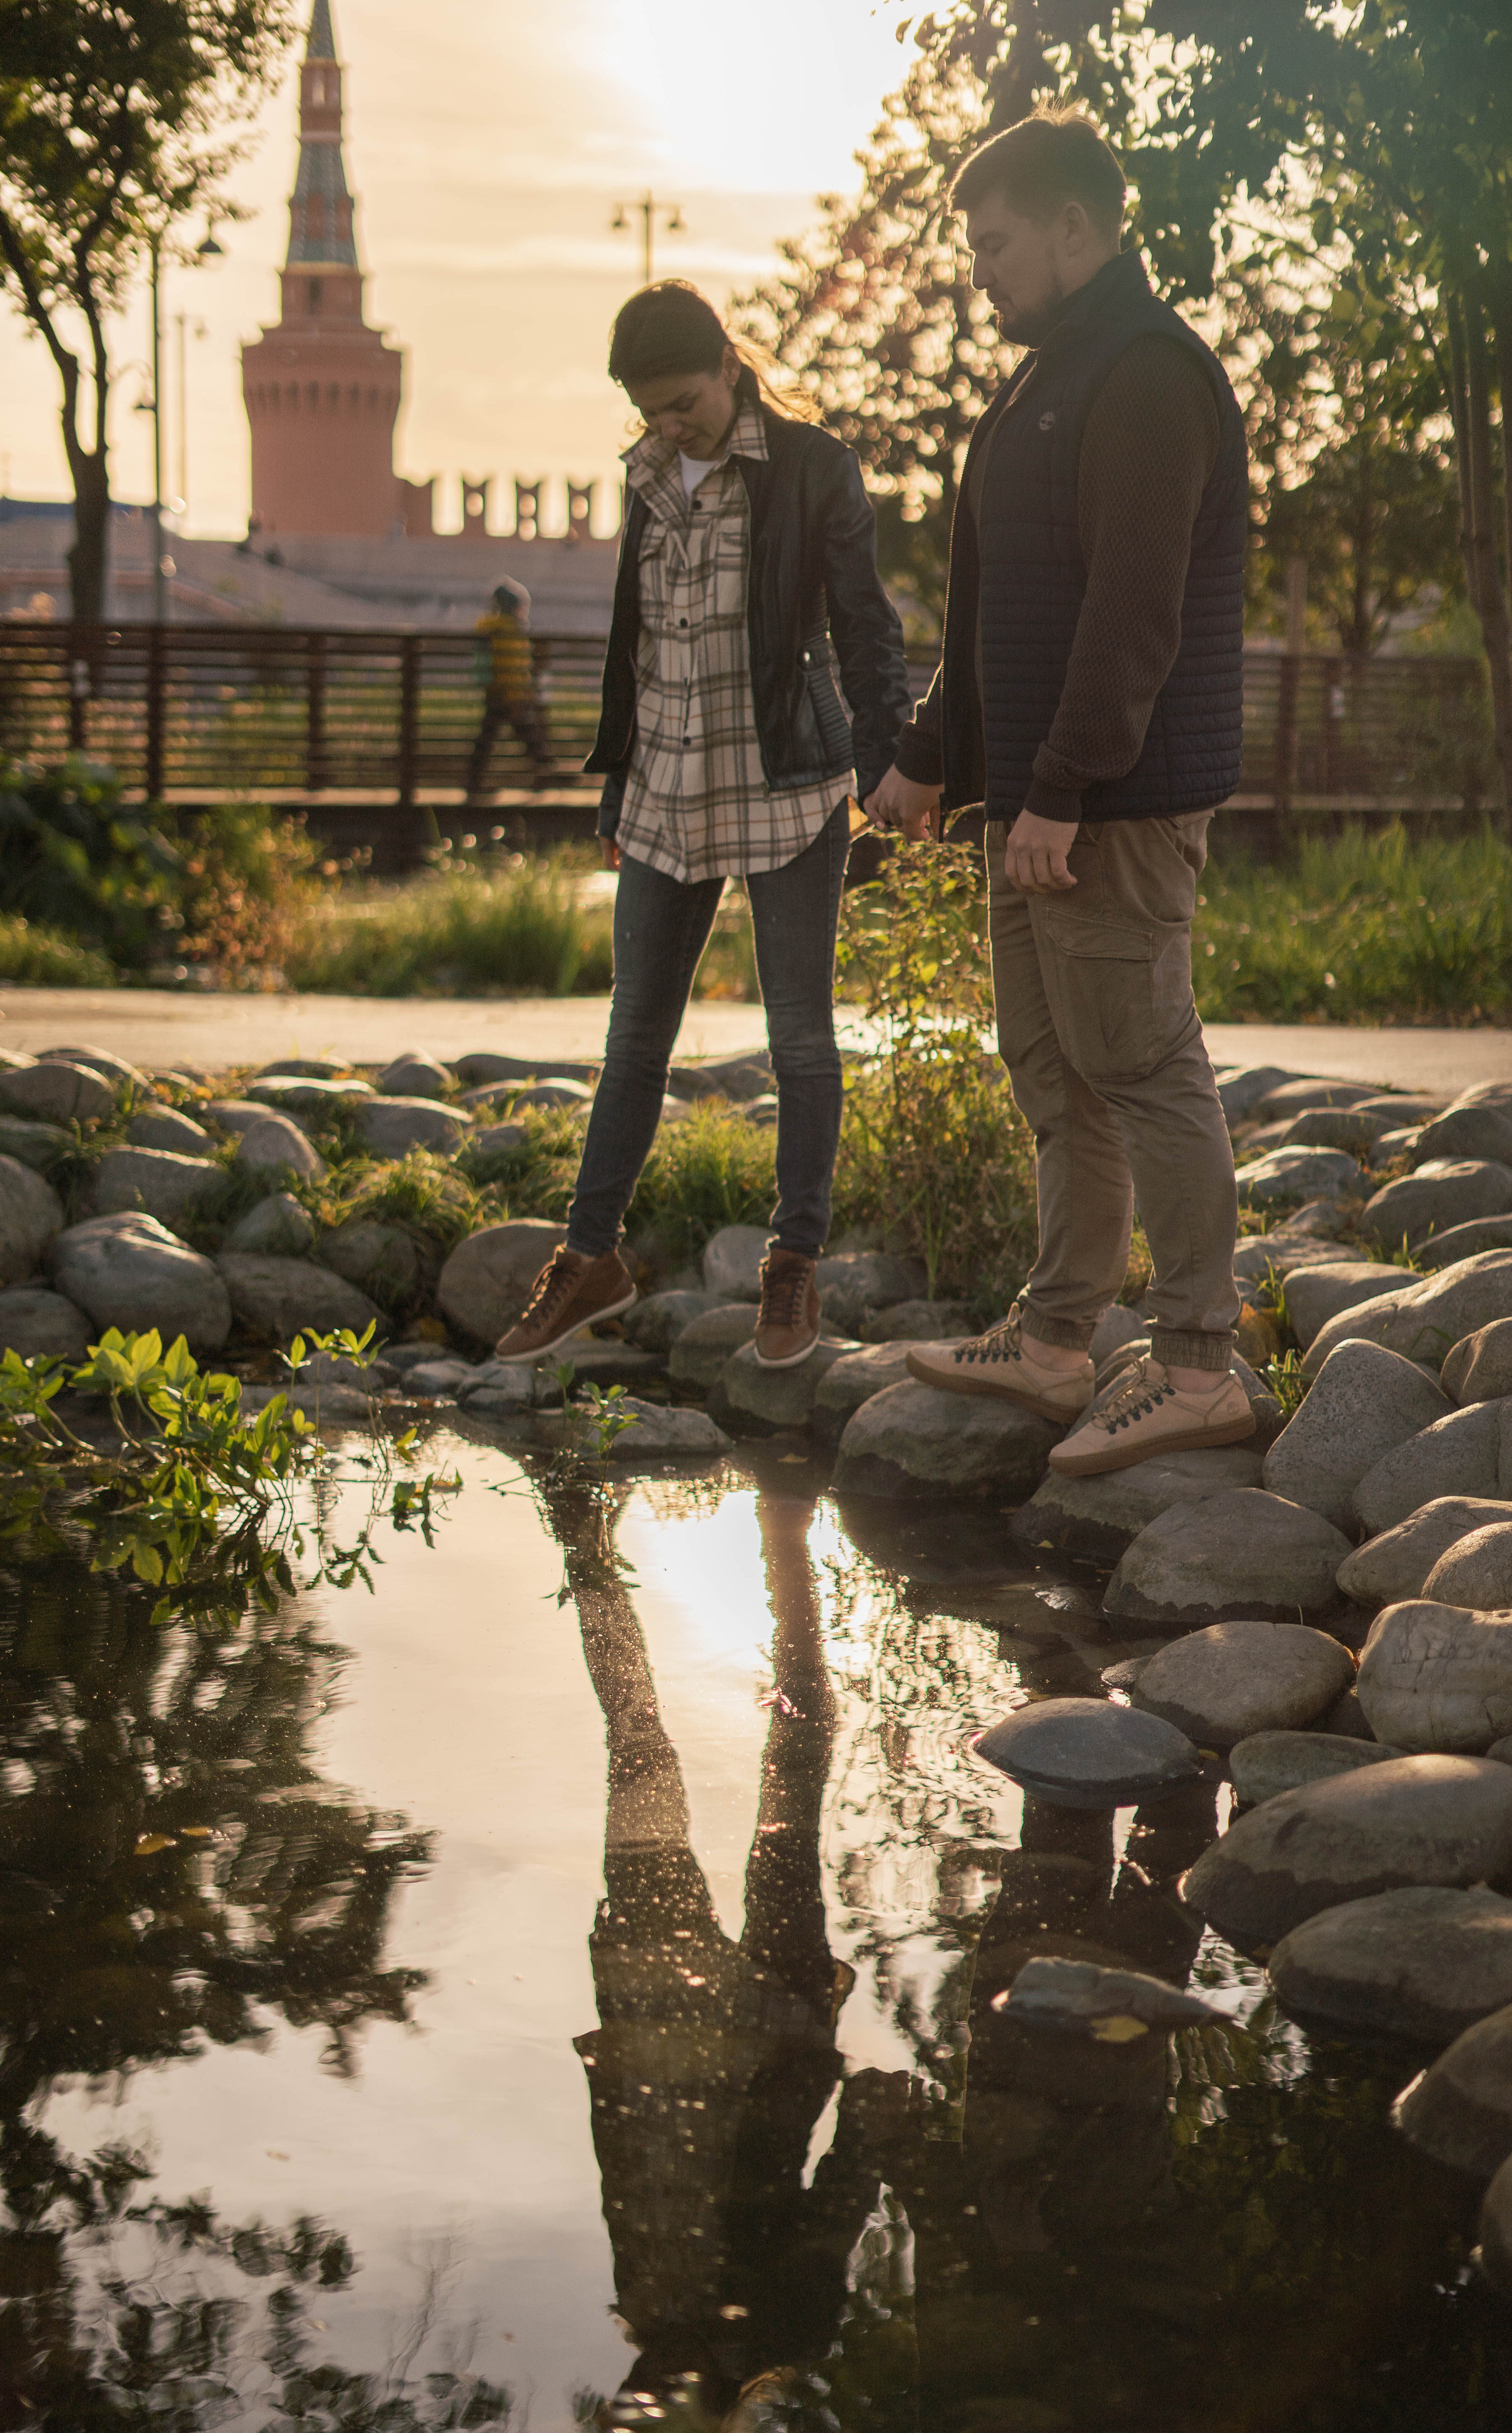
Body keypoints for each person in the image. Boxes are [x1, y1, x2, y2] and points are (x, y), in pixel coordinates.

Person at [864, 110, 1254, 1477]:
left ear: (1076, 228)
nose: (979, 270)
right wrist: (928, 755)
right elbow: (995, 609)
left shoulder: (1143, 375)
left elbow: (1130, 614)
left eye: (995, 244)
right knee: (1054, 1074)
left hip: (1109, 804)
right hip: (1032, 803)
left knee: (1141, 1065)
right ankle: (1054, 1342)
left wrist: (1064, 789)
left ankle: (1199, 1362)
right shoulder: (1042, 382)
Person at [495, 281, 909, 1370]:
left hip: (787, 788)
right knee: (633, 1039)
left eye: (682, 403)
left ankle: (793, 1266)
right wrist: (613, 790)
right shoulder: (646, 479)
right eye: (650, 412)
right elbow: (634, 645)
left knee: (801, 1041)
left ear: (729, 364)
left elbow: (867, 626)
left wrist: (892, 762)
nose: (668, 426)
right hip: (666, 790)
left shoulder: (814, 466)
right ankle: (590, 1259)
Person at [465, 576, 558, 797]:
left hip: (497, 693)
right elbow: (516, 666)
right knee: (527, 736)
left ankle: (473, 783)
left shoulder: (490, 629)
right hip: (511, 695)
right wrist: (523, 691)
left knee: (489, 738)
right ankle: (546, 774)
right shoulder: (511, 631)